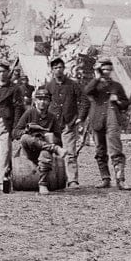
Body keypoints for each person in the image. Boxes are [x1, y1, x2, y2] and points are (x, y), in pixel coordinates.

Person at [84, 58, 130, 190]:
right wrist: (97, 78)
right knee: (100, 150)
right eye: (104, 70)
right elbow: (87, 92)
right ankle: (105, 178)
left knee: (116, 149)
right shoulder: (94, 85)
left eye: (109, 70)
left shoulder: (116, 86)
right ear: (99, 70)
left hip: (112, 120)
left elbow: (125, 103)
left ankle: (120, 180)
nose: (107, 72)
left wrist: (118, 102)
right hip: (97, 120)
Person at [13, 87, 66, 194]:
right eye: (40, 99)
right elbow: (16, 132)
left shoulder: (52, 118)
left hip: (43, 149)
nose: (42, 102)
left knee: (46, 154)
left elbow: (58, 139)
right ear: (35, 101)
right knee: (25, 138)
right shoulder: (29, 113)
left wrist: (50, 136)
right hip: (29, 148)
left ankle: (43, 184)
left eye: (45, 99)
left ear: (49, 102)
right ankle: (52, 148)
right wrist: (27, 130)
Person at [0, 61, 23, 194]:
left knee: (5, 152)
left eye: (3, 71)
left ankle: (2, 181)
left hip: (5, 123)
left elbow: (18, 108)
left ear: (8, 72)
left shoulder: (14, 88)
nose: (1, 74)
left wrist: (16, 127)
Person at [43, 56, 81, 188]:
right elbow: (43, 103)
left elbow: (84, 101)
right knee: (52, 151)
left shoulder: (72, 84)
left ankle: (72, 180)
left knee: (70, 153)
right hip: (53, 125)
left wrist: (80, 117)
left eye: (60, 67)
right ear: (52, 70)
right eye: (55, 68)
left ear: (64, 69)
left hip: (68, 124)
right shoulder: (49, 86)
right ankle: (53, 179)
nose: (58, 70)